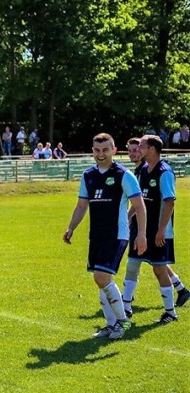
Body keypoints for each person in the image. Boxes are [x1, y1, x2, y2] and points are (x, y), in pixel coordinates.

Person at [63, 133, 147, 340]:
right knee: (102, 280)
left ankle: (122, 321)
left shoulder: (124, 175)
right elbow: (82, 205)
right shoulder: (88, 175)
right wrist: (71, 227)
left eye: (105, 150)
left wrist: (142, 234)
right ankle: (111, 325)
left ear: (114, 150)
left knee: (101, 276)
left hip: (117, 233)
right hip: (97, 234)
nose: (101, 154)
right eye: (97, 150)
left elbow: (139, 206)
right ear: (93, 151)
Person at [121, 137, 189, 316]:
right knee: (132, 263)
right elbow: (139, 198)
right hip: (141, 227)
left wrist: (161, 230)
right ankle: (125, 307)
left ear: (151, 149)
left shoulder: (164, 171)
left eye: (141, 146)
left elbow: (169, 202)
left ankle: (170, 312)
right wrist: (129, 217)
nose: (138, 150)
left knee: (159, 269)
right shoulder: (143, 170)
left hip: (159, 230)